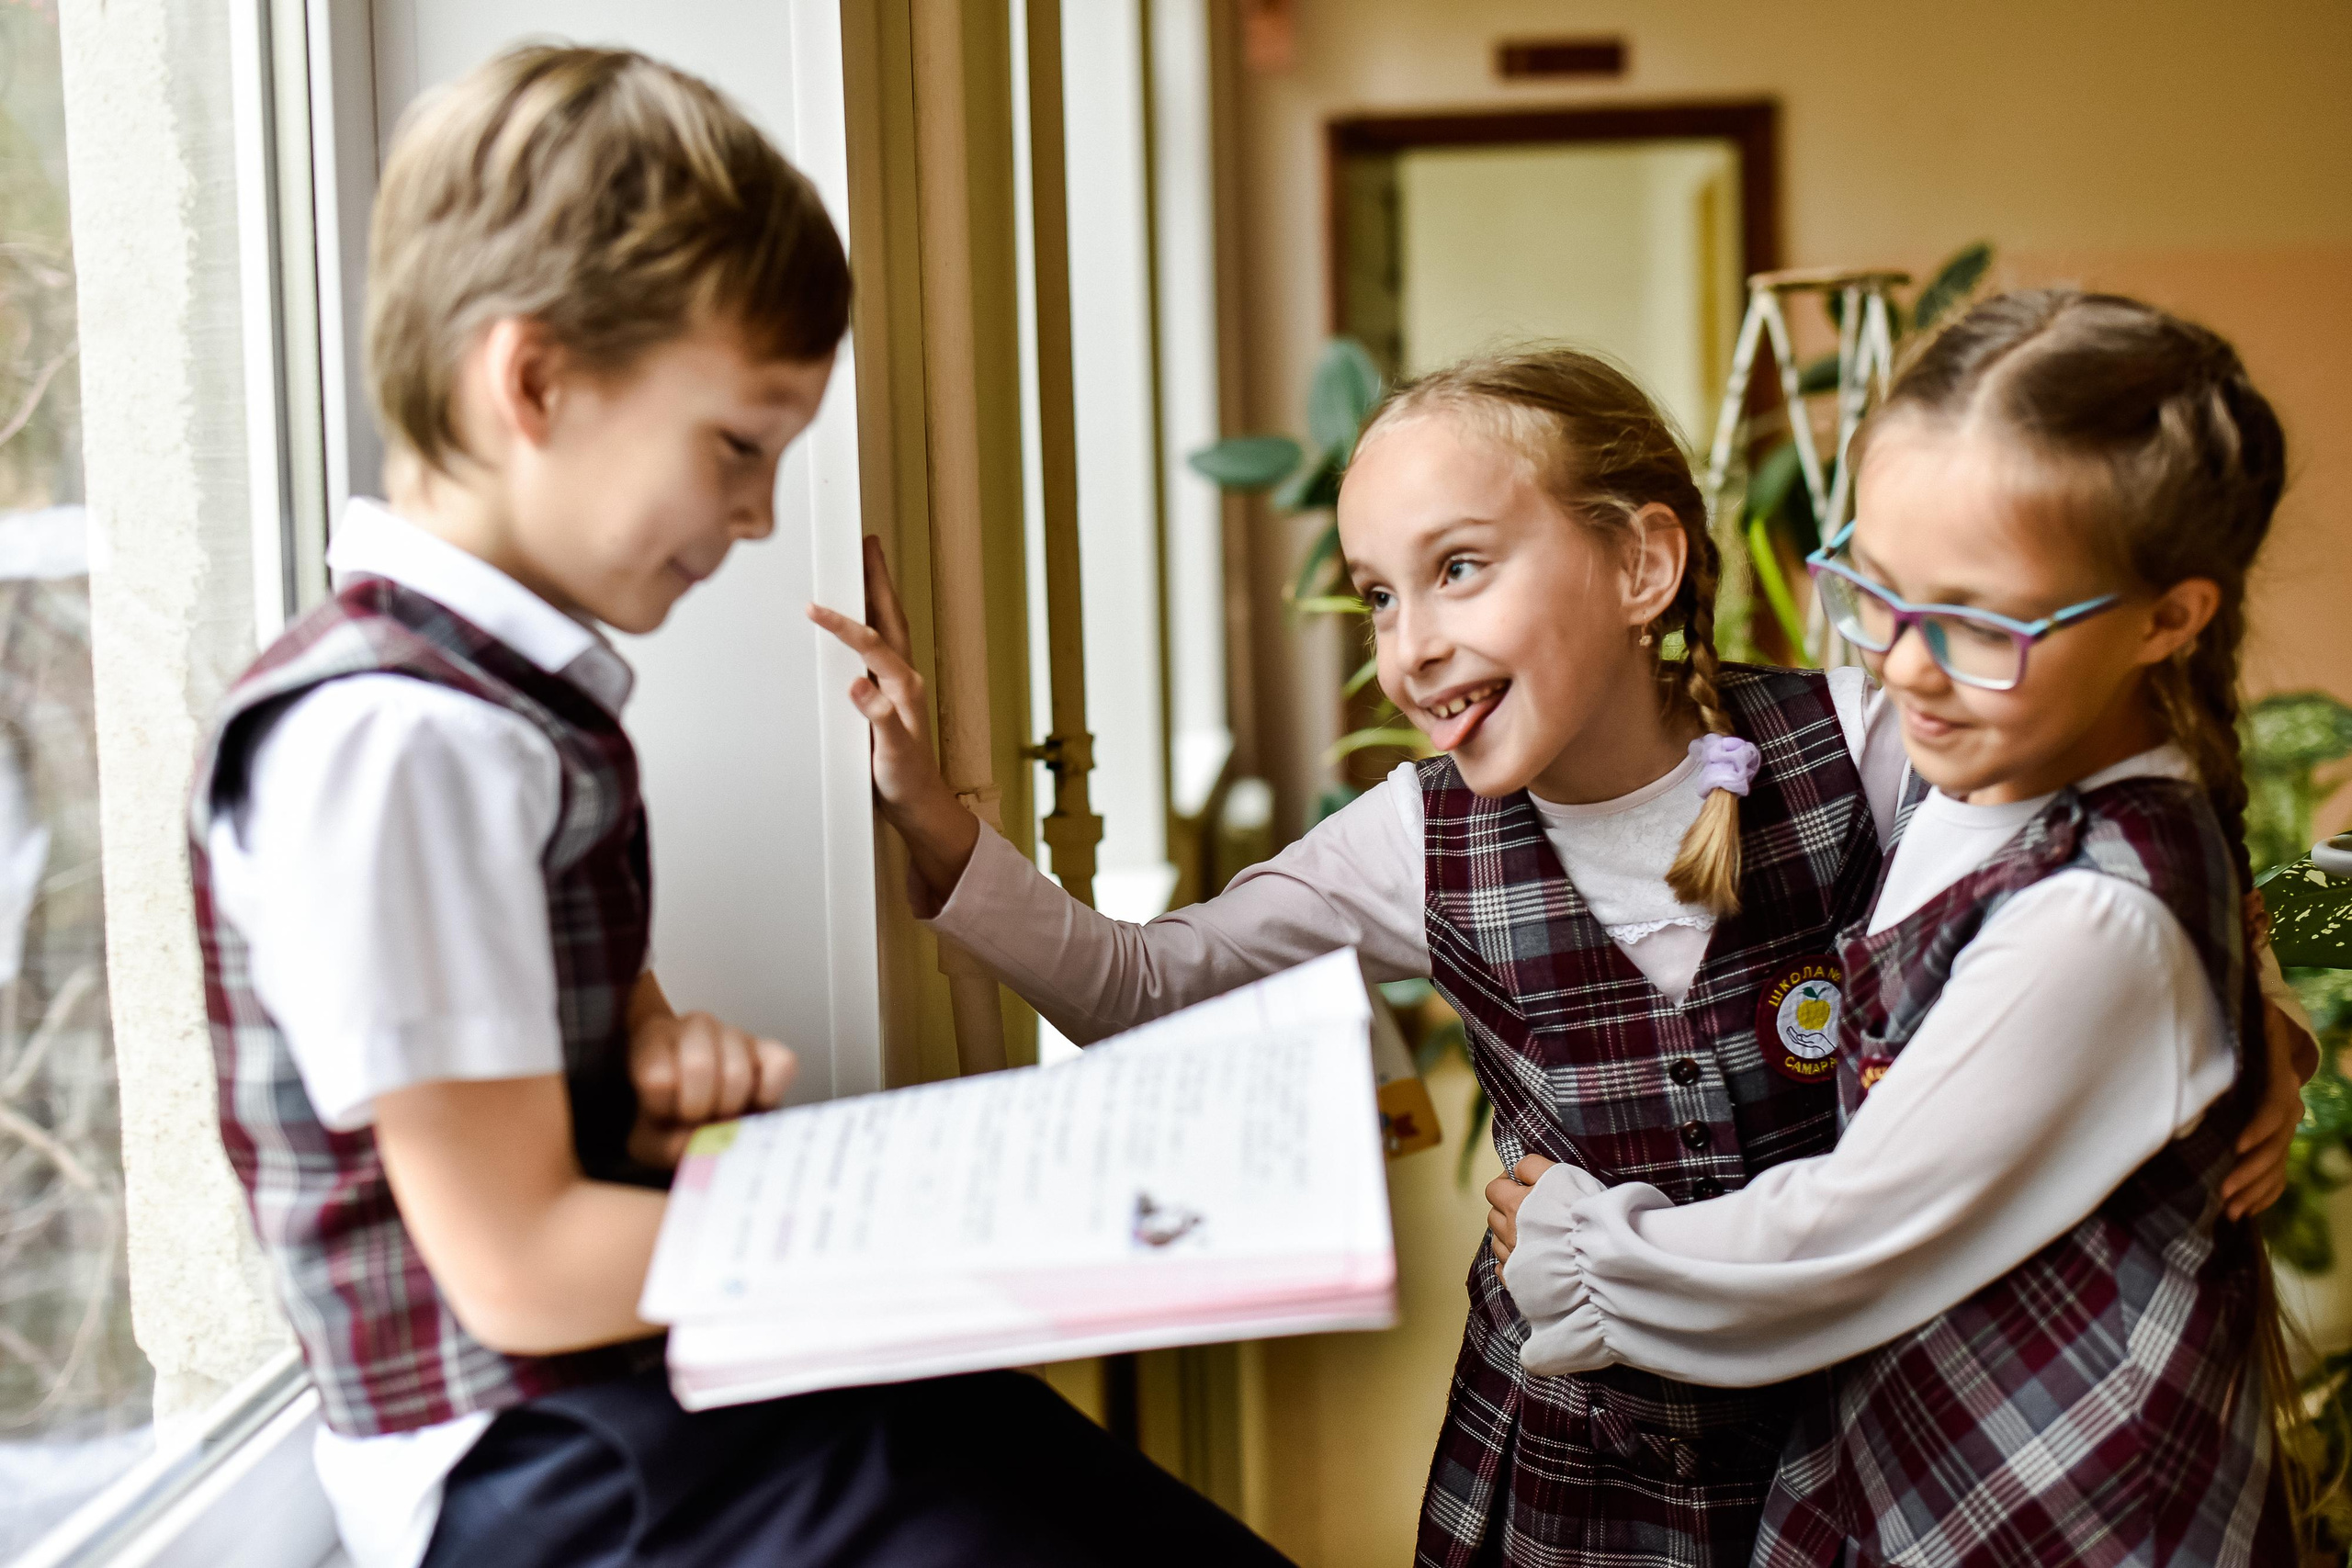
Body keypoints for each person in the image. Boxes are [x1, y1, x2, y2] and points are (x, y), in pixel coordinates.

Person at [815, 337, 2312, 1566]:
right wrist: (938, 824)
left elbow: (2084, 866)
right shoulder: (1408, 840)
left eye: (1460, 568)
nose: (1408, 645)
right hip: (1587, 1463)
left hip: (1846, 1435)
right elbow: (1142, 987)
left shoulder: (1857, 740)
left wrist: (2252, 1035)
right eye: (1380, 595)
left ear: (1643, 564)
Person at [189, 44, 1289, 1568]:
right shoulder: (398, 745)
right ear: (535, 380)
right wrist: (951, 1232)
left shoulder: (505, 714)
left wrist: (652, 1055)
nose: (762, 513)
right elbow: (513, 1270)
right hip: (539, 1469)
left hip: (621, 1404)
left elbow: (567, 1034)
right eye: (737, 446)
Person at [1484, 290, 2311, 1564]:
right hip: (1930, 1425)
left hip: (2060, 1500)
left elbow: (1840, 1241)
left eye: (1982, 622)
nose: (1908, 666)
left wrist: (1581, 1250)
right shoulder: (1999, 754)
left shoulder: (2094, 912)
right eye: (1876, 589)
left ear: (2168, 619)